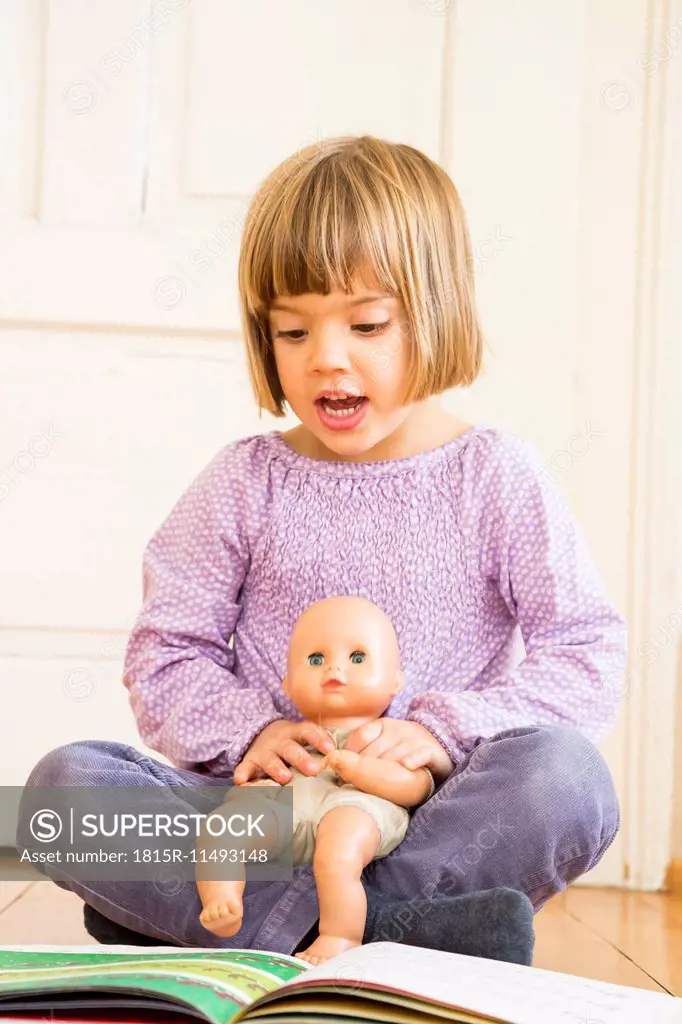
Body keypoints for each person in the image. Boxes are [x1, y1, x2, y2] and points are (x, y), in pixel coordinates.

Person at [20, 135, 626, 967]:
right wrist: (251, 731)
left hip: (423, 821)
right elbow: (168, 652)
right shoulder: (242, 482)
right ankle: (397, 938)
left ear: (438, 312)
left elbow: (584, 652)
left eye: (367, 324)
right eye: (292, 331)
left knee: (568, 780)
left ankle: (238, 925)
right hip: (264, 820)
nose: (326, 359)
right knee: (62, 795)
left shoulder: (496, 475)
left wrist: (443, 732)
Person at [197, 595, 437, 965]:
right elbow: (261, 774)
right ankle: (222, 898)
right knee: (224, 821)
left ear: (395, 681)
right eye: (316, 659)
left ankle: (340, 934)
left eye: (357, 658)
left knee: (338, 849)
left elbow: (414, 787)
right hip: (296, 800)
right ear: (288, 684)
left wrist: (361, 770)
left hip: (357, 805)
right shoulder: (288, 736)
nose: (334, 670)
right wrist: (252, 788)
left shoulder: (395, 736)